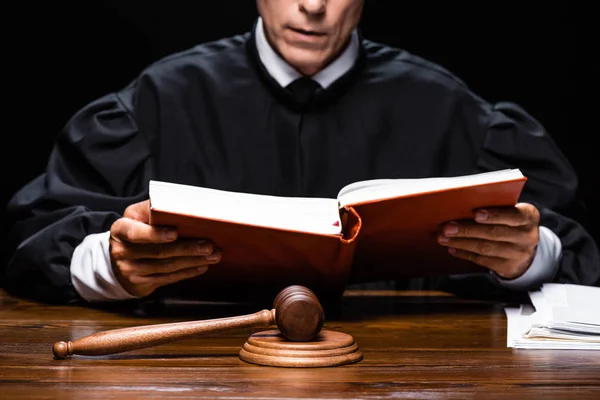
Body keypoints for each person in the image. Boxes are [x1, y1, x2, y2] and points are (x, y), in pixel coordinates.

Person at [3, 0, 599, 305]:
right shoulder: (158, 100)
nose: (312, 6)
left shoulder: (452, 110)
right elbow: (29, 241)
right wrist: (111, 266)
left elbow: (575, 252)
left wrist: (528, 254)